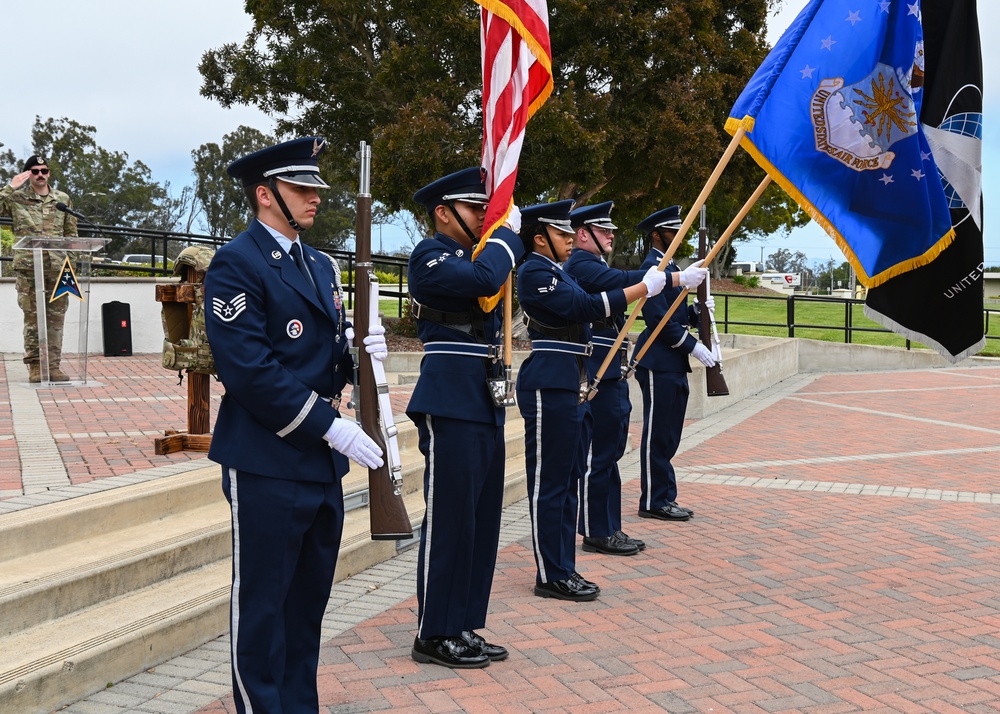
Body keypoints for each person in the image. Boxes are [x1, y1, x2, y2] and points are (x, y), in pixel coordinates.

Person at [204, 137, 387, 713]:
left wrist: (361, 357)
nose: (314, 199)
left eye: (315, 189)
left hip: (319, 462)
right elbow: (250, 371)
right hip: (268, 456)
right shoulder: (238, 262)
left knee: (306, 611)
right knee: (262, 611)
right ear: (265, 194)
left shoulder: (321, 263)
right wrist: (329, 425)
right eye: (300, 189)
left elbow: (326, 353)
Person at [515, 200, 666, 602]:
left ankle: (564, 567)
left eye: (570, 233)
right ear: (539, 239)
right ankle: (550, 573)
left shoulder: (555, 271)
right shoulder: (533, 271)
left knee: (567, 482)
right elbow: (584, 306)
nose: (569, 239)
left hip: (571, 379)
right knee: (550, 484)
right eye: (562, 234)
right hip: (550, 380)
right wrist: (642, 289)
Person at [406, 168, 524, 669]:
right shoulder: (429, 256)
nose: (485, 217)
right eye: (476, 209)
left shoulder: (478, 254)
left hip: (482, 399)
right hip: (450, 396)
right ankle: (434, 631)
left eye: (487, 208)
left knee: (479, 521)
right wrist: (510, 235)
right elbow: (483, 278)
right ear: (442, 212)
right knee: (451, 519)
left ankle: (463, 623)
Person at [563, 201, 647, 556]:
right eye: (602, 230)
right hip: (598, 361)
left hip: (612, 362)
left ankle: (610, 525)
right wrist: (660, 277)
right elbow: (617, 282)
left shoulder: (592, 263)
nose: (611, 234)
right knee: (600, 452)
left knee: (611, 450)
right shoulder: (581, 265)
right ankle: (597, 529)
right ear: (583, 234)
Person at [631, 206, 713, 523]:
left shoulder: (672, 267)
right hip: (657, 360)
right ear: (656, 234)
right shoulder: (653, 269)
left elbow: (675, 316)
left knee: (670, 434)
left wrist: (695, 311)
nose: (678, 236)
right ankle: (653, 500)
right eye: (672, 231)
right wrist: (694, 347)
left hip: (672, 362)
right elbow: (659, 321)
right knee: (658, 433)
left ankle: (665, 495)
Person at [0, 155, 77, 382]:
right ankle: (35, 367)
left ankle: (53, 367)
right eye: (34, 171)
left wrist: (70, 265)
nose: (40, 174)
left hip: (58, 267)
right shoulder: (17, 198)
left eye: (44, 170)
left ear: (49, 173)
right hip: (29, 268)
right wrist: (10, 186)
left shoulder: (62, 199)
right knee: (33, 319)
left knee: (56, 319)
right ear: (28, 175)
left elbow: (71, 234)